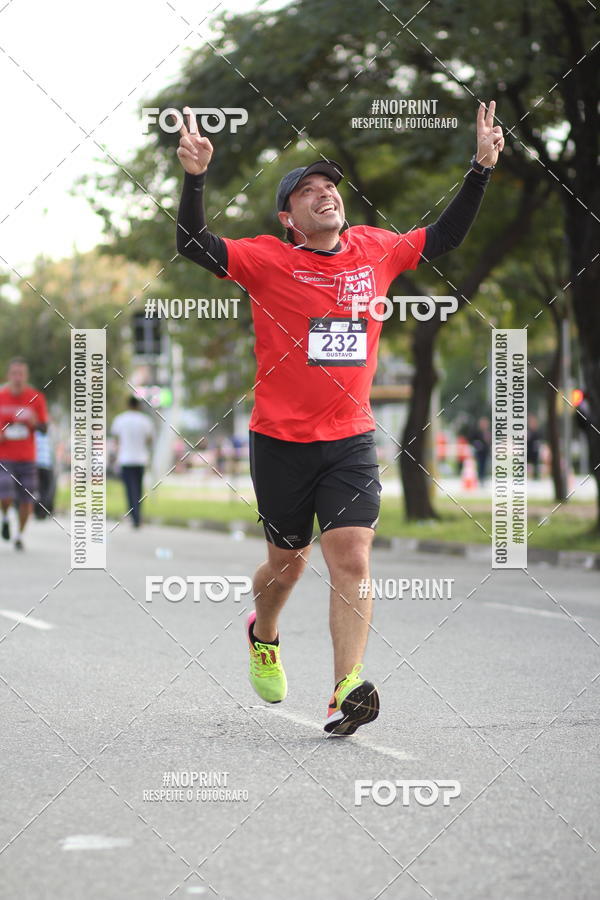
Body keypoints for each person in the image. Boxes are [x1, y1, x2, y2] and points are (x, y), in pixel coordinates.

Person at [176, 101, 504, 735]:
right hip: (279, 441)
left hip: (350, 438)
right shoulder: (266, 259)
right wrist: (194, 179)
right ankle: (263, 632)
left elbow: (445, 236)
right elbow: (193, 243)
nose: (324, 195)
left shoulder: (375, 250)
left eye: (330, 187)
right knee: (287, 563)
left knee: (351, 555)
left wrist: (481, 169)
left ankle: (343, 689)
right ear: (289, 218)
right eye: (308, 192)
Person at [0, 358, 49, 550]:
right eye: (14, 374)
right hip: (4, 456)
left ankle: (19, 535)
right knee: (5, 492)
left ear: (26, 376)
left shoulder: (36, 398)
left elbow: (44, 428)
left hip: (28, 457)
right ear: (8, 376)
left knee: (27, 500)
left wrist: (34, 423)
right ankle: (4, 518)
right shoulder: (1, 397)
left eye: (21, 374)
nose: (17, 378)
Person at [111, 397, 154, 528]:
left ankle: (133, 515)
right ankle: (137, 515)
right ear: (139, 406)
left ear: (128, 405)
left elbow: (116, 439)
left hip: (126, 459)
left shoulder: (120, 419)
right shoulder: (145, 420)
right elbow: (150, 440)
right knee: (139, 489)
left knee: (130, 489)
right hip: (141, 459)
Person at [34, 427, 56, 519]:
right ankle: (44, 511)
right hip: (46, 465)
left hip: (36, 465)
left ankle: (38, 511)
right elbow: (51, 452)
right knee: (47, 490)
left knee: (38, 489)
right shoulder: (48, 436)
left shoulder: (34, 435)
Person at [470, 416, 491, 484]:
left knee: (485, 465)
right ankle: (480, 478)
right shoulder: (476, 432)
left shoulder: (488, 431)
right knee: (480, 465)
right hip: (479, 452)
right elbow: (472, 440)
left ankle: (483, 478)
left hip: (486, 452)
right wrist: (477, 444)